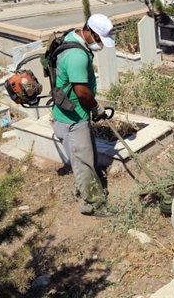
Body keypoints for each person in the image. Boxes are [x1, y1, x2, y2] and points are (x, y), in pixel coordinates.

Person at [51, 14, 115, 217]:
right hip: (73, 118)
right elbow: (81, 92)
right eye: (98, 39)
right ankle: (92, 204)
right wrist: (96, 107)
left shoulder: (72, 37)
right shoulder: (77, 56)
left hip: (68, 114)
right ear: (88, 30)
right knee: (84, 162)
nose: (99, 44)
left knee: (82, 158)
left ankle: (83, 186)